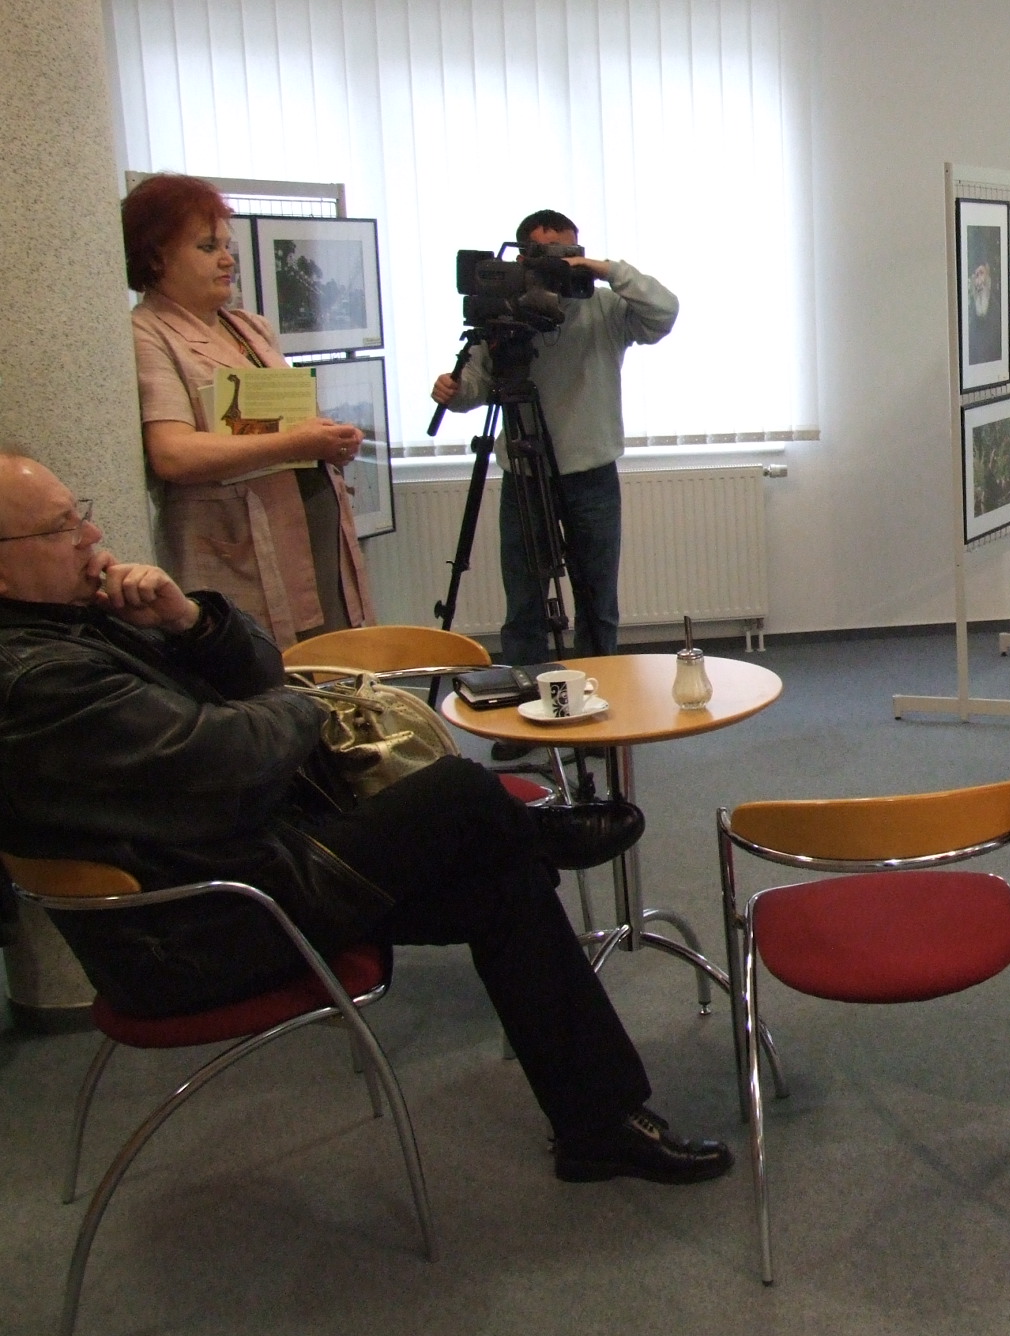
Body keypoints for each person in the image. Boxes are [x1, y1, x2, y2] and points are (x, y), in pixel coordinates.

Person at [0, 452, 730, 1185]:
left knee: (500, 878)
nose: (91, 536)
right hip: (201, 927)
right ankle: (541, 834)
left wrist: (187, 622)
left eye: (81, 513)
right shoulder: (39, 681)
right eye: (62, 528)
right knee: (461, 795)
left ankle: (597, 1126)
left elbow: (259, 677)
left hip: (244, 870)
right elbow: (236, 759)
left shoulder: (79, 626)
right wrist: (304, 704)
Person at [126, 174, 373, 648]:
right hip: (238, 544)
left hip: (309, 529)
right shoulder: (149, 333)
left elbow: (286, 423)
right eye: (207, 247)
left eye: (226, 245)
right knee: (268, 667)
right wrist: (298, 442)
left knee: (334, 660)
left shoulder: (249, 328)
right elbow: (173, 454)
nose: (227, 259)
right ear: (156, 257)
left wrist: (329, 442)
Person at [431, 210, 678, 666]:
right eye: (548, 253)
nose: (559, 263)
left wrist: (606, 270)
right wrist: (453, 391)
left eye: (569, 252)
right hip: (525, 474)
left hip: (591, 474)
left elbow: (665, 311)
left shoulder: (603, 307)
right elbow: (477, 385)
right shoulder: (504, 308)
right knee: (524, 604)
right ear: (522, 256)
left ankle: (603, 697)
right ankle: (524, 695)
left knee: (597, 602)